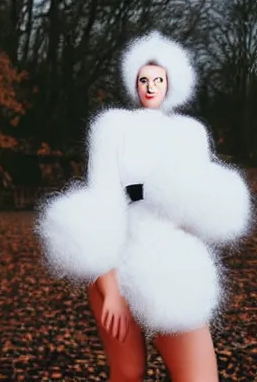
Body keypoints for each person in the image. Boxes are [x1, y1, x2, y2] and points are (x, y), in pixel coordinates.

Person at [36, 31, 252, 382]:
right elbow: (102, 202)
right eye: (143, 79)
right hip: (118, 259)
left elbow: (196, 205)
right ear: (133, 82)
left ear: (173, 83)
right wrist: (110, 287)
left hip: (172, 266)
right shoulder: (112, 126)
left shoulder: (190, 133)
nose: (150, 87)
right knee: (128, 371)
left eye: (158, 80)